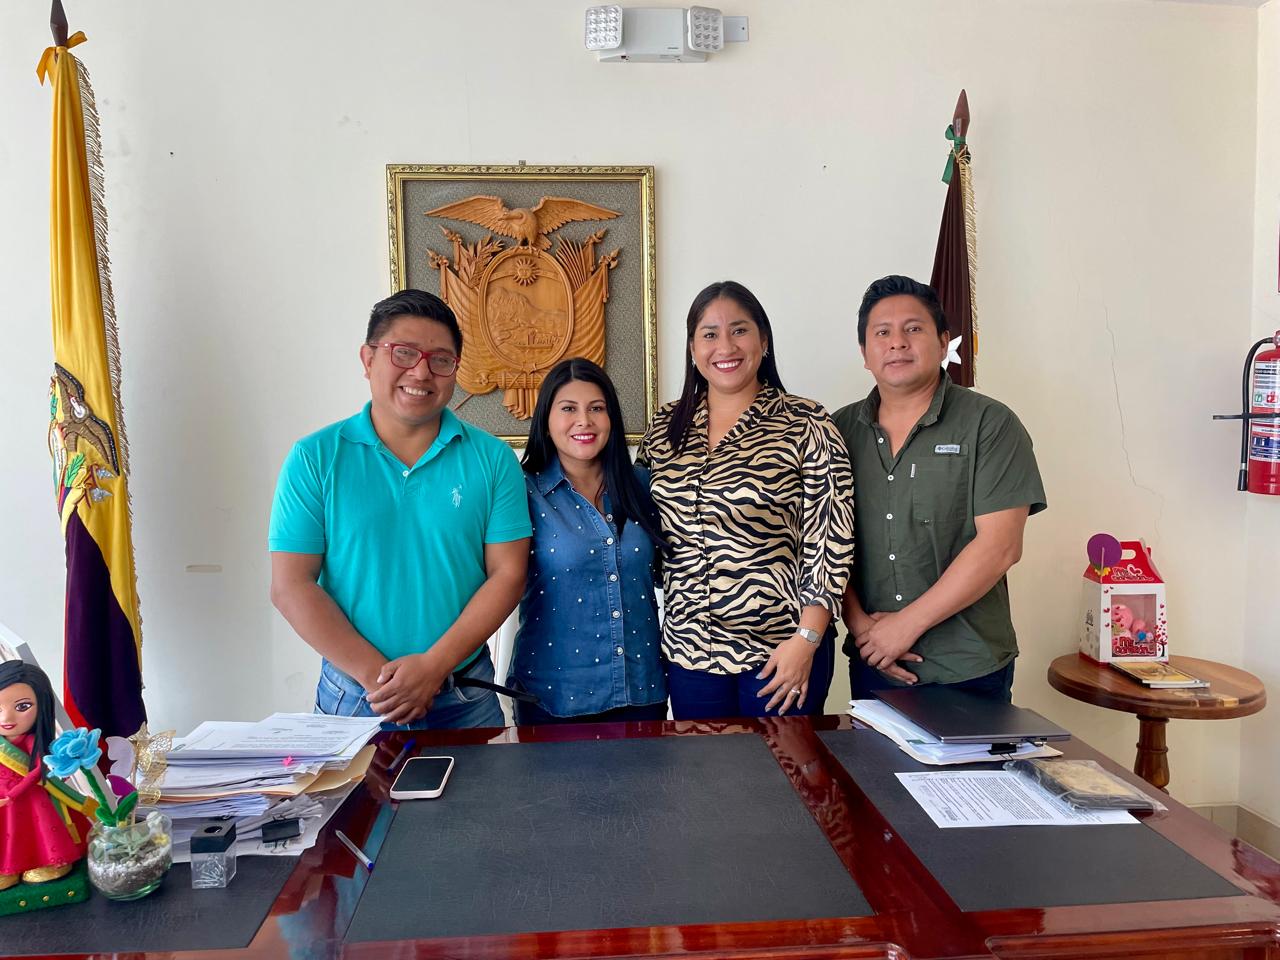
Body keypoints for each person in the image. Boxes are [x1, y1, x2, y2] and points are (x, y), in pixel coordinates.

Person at [269, 290, 532, 729]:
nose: (421, 371)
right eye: (404, 353)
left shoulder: (493, 459)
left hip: (464, 695)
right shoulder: (315, 457)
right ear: (368, 358)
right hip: (354, 697)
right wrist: (383, 681)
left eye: (440, 360)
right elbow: (291, 585)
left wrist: (433, 668)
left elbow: (507, 574)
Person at [638, 281, 855, 720]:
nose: (725, 346)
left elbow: (830, 538)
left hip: (782, 651)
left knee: (784, 765)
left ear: (764, 340)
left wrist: (807, 640)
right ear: (693, 348)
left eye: (739, 330)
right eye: (710, 334)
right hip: (690, 654)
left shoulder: (806, 422)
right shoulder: (664, 426)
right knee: (705, 767)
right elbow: (643, 527)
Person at [832, 275, 1046, 701]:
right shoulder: (838, 430)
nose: (897, 342)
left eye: (913, 328)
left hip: (968, 663)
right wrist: (860, 625)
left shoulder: (989, 424)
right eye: (882, 333)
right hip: (873, 658)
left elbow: (1000, 547)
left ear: (944, 341)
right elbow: (828, 542)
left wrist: (904, 626)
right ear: (864, 352)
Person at [509, 358, 667, 725]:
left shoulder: (643, 485)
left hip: (641, 691)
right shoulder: (522, 492)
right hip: (553, 696)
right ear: (546, 420)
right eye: (569, 409)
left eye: (596, 408)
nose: (584, 420)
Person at [0, 661, 93, 889]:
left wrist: (14, 793)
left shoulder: (32, 742)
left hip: (29, 796)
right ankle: (9, 868)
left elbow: (37, 772)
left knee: (37, 829)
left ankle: (48, 861)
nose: (6, 718)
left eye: (22, 706)